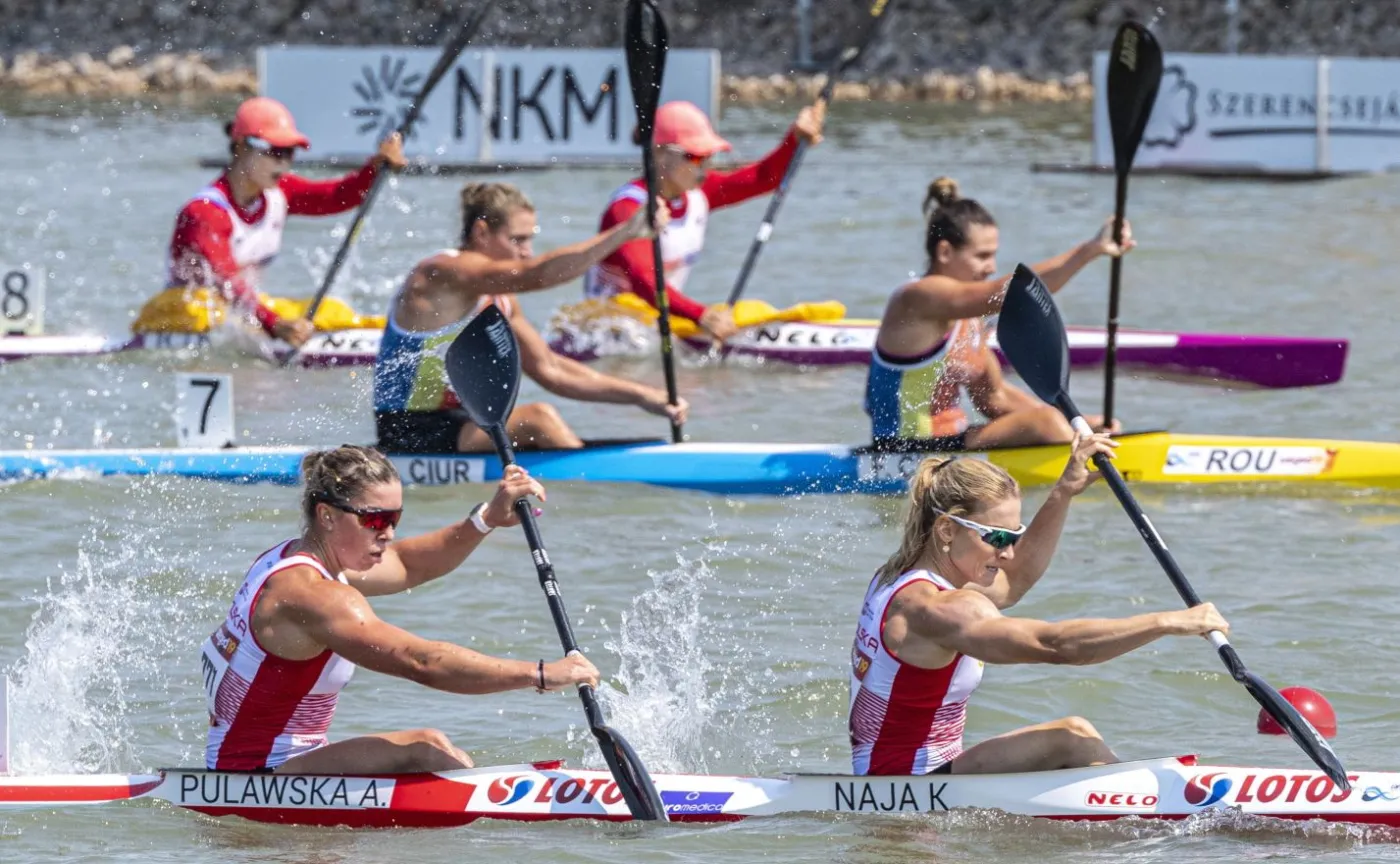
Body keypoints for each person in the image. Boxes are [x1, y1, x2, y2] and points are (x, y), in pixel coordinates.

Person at [202, 445, 599, 774]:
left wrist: (486, 519)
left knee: (432, 742)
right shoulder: (314, 596)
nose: (388, 533)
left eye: (395, 518)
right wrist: (542, 674)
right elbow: (420, 662)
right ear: (326, 515)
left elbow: (410, 564)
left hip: (281, 762)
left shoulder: (290, 559)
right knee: (424, 753)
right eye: (375, 519)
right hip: (258, 773)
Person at [848, 433, 1229, 776]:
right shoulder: (937, 608)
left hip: (919, 771)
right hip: (905, 785)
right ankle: (1158, 820)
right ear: (947, 529)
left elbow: (1013, 583)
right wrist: (1167, 621)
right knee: (1071, 738)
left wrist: (1064, 491)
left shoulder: (897, 576)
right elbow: (1056, 646)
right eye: (997, 537)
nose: (1009, 553)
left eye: (1016, 535)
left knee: (1075, 735)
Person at [374, 182, 689, 453]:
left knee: (538, 421)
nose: (527, 251)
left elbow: (551, 370)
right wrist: (625, 233)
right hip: (409, 430)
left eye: (529, 239)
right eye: (518, 239)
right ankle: (589, 488)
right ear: (482, 232)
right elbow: (536, 274)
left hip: (463, 425)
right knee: (538, 419)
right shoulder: (442, 273)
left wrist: (643, 396)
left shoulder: (500, 299)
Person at [865, 177, 1131, 450]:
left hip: (952, 443)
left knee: (1054, 422)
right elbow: (1010, 293)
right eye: (982, 256)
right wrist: (1089, 250)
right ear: (944, 251)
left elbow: (996, 398)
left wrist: (1077, 422)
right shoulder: (916, 298)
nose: (991, 267)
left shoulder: (970, 320)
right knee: (1047, 423)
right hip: (899, 448)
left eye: (994, 256)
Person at [147, 97, 407, 347]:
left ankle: (402, 333)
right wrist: (275, 324)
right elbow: (225, 280)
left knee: (331, 311)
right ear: (240, 146)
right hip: (184, 312)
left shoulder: (279, 192)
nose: (283, 163)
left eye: (289, 153)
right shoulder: (204, 213)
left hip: (243, 310)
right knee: (210, 307)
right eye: (274, 151)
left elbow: (339, 196)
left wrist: (375, 167)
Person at [584, 100, 826, 342]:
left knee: (753, 310)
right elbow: (644, 281)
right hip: (612, 331)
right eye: (695, 157)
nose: (705, 166)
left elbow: (764, 178)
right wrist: (702, 316)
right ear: (658, 153)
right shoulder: (627, 208)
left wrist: (794, 139)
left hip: (661, 317)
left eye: (709, 156)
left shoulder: (699, 193)